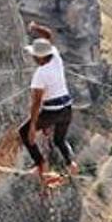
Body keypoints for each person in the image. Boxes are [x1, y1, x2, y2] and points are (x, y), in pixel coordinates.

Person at [18, 21, 78, 183]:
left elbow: (37, 103)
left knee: (23, 133)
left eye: (35, 55)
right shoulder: (56, 58)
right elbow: (49, 35)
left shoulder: (41, 74)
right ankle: (70, 162)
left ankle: (40, 164)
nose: (33, 57)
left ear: (41, 56)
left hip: (53, 111)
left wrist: (32, 128)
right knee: (59, 140)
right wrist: (35, 28)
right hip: (67, 109)